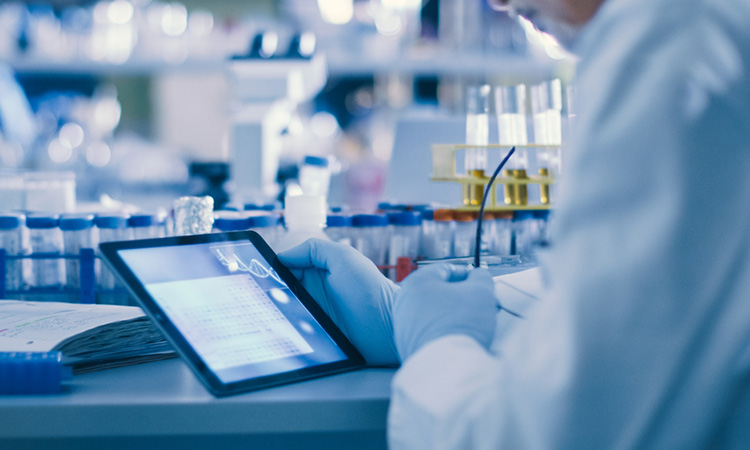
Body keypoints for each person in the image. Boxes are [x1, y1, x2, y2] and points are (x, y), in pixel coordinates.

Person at [279, 0, 750, 447]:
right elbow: (644, 323)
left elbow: (553, 433)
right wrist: (404, 317)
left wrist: (437, 349)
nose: (499, 3)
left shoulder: (670, 47)